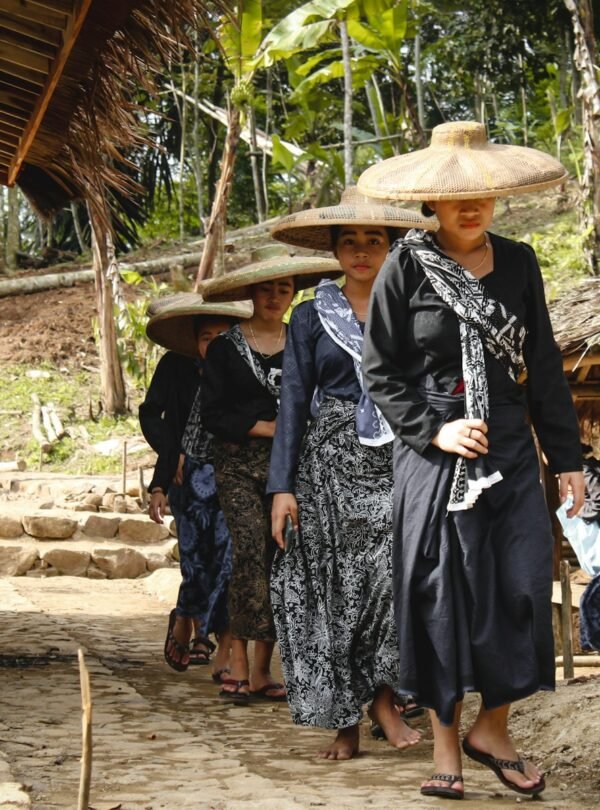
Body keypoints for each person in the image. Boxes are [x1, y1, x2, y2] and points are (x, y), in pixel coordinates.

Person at [358, 121, 585, 799]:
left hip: (511, 447)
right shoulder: (404, 265)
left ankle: (495, 727)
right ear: (432, 202)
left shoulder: (519, 263)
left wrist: (567, 459)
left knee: (520, 585)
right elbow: (381, 370)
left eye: (482, 195)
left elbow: (542, 365)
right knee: (439, 592)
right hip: (433, 456)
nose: (471, 206)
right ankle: (447, 747)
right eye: (456, 197)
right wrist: (435, 431)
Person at [267, 188, 436, 759]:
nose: (362, 251)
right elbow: (293, 400)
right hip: (328, 470)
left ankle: (385, 699)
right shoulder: (312, 315)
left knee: (395, 579)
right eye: (350, 242)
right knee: (336, 591)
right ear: (335, 252)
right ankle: (345, 717)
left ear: (391, 248)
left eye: (374, 240)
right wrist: (281, 487)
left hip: (399, 457)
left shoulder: (414, 306)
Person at [200, 246, 340, 704]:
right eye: (267, 288)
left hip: (293, 465)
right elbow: (214, 415)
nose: (276, 295)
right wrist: (273, 427)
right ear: (251, 292)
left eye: (284, 288)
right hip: (239, 464)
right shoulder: (225, 347)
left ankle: (263, 669)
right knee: (249, 553)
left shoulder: (305, 338)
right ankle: (237, 658)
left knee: (283, 558)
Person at [143, 293, 251, 677]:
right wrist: (169, 462)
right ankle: (186, 616)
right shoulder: (175, 367)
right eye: (207, 337)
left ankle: (220, 640)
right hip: (187, 480)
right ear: (194, 340)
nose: (215, 345)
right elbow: (153, 415)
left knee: (228, 561)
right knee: (195, 562)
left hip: (233, 476)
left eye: (223, 336)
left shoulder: (244, 370)